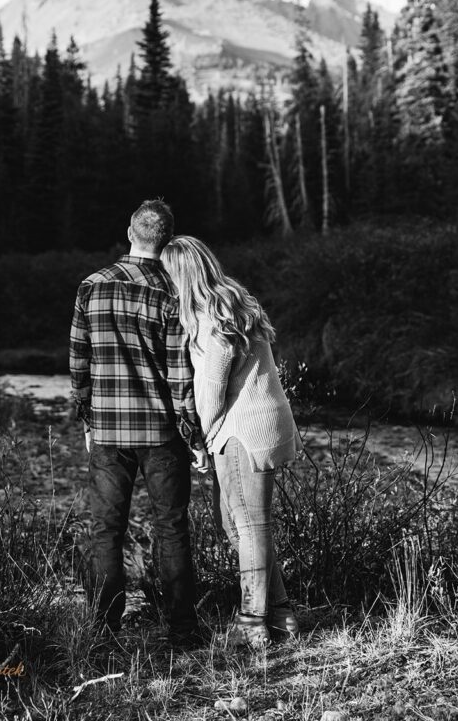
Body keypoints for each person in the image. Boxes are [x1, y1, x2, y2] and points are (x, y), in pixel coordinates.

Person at [69, 199, 208, 648]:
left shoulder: (91, 285)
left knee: (106, 530)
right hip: (162, 433)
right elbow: (180, 376)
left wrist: (87, 419)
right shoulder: (172, 292)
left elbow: (79, 365)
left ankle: (104, 631)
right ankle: (183, 630)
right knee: (172, 527)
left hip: (108, 431)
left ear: (130, 231)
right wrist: (192, 435)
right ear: (167, 238)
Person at [161, 235, 302, 649]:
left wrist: (198, 440)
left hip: (241, 431)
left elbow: (210, 390)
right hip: (265, 422)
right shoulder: (237, 301)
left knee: (250, 525)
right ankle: (280, 613)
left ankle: (251, 621)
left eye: (167, 275)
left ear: (181, 274)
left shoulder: (209, 318)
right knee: (240, 524)